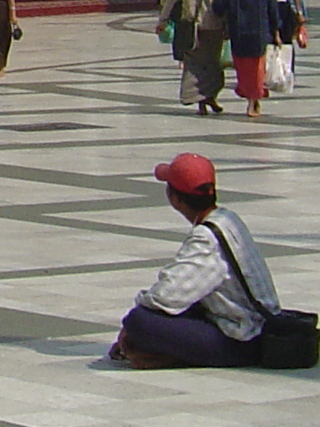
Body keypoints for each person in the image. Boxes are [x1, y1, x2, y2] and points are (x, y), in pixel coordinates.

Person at [107, 151, 282, 369]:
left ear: (175, 198)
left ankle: (168, 357)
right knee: (175, 312)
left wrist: (129, 327)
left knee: (139, 321)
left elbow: (166, 296)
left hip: (243, 341)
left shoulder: (206, 239)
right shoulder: (228, 219)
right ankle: (160, 354)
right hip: (259, 327)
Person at [214, 0, 278, 118]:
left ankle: (249, 94)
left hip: (238, 32)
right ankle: (254, 99)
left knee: (243, 68)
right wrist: (276, 32)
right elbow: (273, 9)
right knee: (258, 67)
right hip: (259, 31)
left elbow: (218, 7)